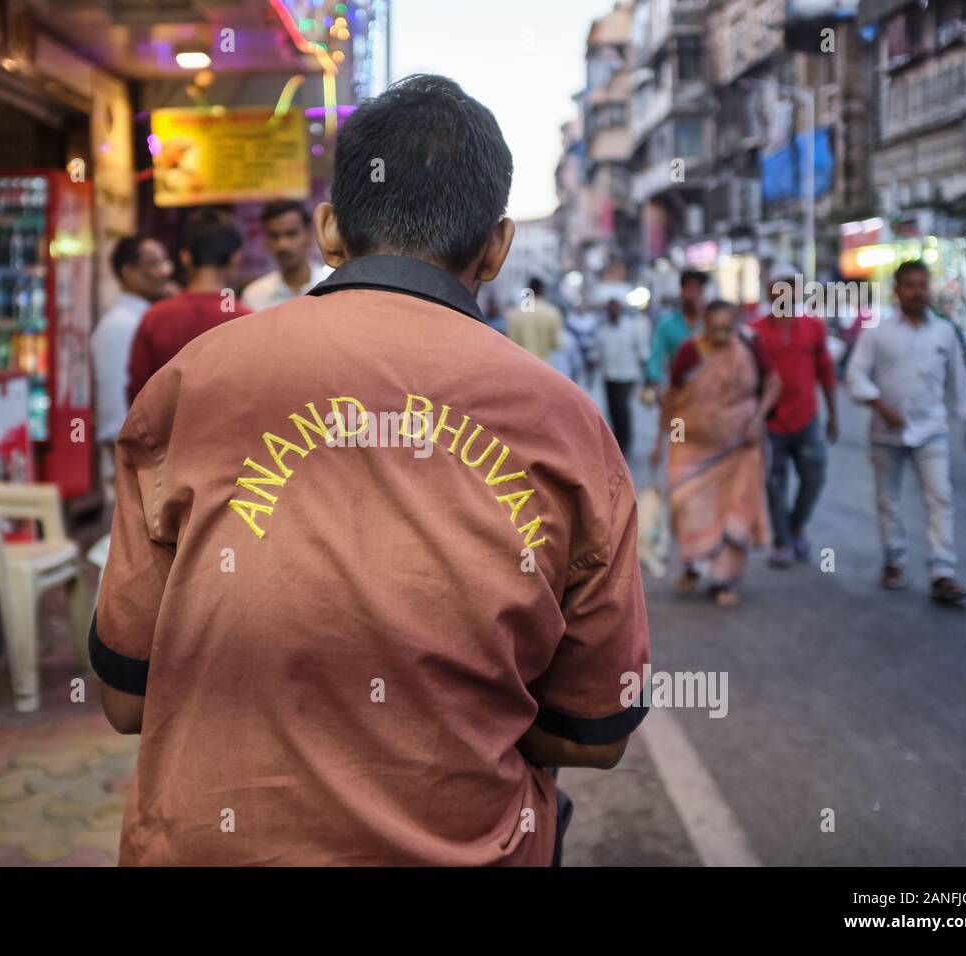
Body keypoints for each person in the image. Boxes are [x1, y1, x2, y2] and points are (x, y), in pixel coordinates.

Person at [91, 74, 650, 867]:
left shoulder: (192, 384)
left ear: (327, 230)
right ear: (496, 247)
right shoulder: (569, 428)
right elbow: (597, 733)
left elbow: (124, 697)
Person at [845, 260, 966, 604]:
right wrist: (880, 406)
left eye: (923, 285)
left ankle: (942, 572)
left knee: (940, 498)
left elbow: (959, 383)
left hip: (931, 429)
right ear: (897, 290)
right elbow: (856, 376)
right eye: (910, 285)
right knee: (888, 500)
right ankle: (893, 559)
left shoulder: (944, 332)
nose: (918, 292)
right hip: (885, 432)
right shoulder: (877, 333)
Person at [650, 300, 782, 607]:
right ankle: (692, 565)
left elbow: (773, 383)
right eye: (715, 329)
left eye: (728, 328)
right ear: (704, 326)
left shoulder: (749, 345)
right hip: (691, 444)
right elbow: (673, 397)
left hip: (740, 445)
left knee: (733, 510)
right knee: (688, 504)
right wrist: (659, 441)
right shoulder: (688, 351)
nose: (723, 336)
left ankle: (723, 580)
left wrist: (758, 419)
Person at [749, 263, 839, 568]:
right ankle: (782, 541)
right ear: (769, 293)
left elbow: (826, 373)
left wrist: (833, 414)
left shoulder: (813, 327)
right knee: (774, 483)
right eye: (777, 290)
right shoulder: (755, 331)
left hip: (807, 418)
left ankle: (796, 525)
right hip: (771, 422)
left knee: (814, 476)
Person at [126, 211, 251, 403]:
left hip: (168, 432)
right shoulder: (247, 319)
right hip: (230, 433)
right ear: (235, 258)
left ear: (185, 256)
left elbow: (137, 393)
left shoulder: (154, 317)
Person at [91, 237, 174, 503]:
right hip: (135, 467)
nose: (164, 271)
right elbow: (115, 411)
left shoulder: (147, 317)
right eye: (153, 264)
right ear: (128, 272)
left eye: (164, 262)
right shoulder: (120, 326)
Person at [241, 200, 331, 311]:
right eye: (274, 236)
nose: (283, 245)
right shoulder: (254, 296)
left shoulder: (332, 288)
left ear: (310, 235)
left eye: (291, 234)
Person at [592, 296, 650, 456]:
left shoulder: (632, 328)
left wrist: (648, 376)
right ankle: (616, 441)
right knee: (612, 409)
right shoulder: (603, 331)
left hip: (627, 375)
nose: (613, 312)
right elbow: (597, 353)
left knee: (622, 408)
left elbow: (642, 352)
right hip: (610, 376)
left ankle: (625, 442)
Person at [644, 270, 708, 390]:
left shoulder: (710, 323)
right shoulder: (667, 324)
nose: (694, 296)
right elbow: (656, 355)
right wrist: (656, 382)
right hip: (677, 390)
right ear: (682, 292)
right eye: (690, 290)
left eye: (698, 291)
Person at [505, 276, 563, 363]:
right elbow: (556, 344)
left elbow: (511, 342)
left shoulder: (513, 314)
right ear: (542, 290)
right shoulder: (551, 312)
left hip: (520, 366)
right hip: (544, 366)